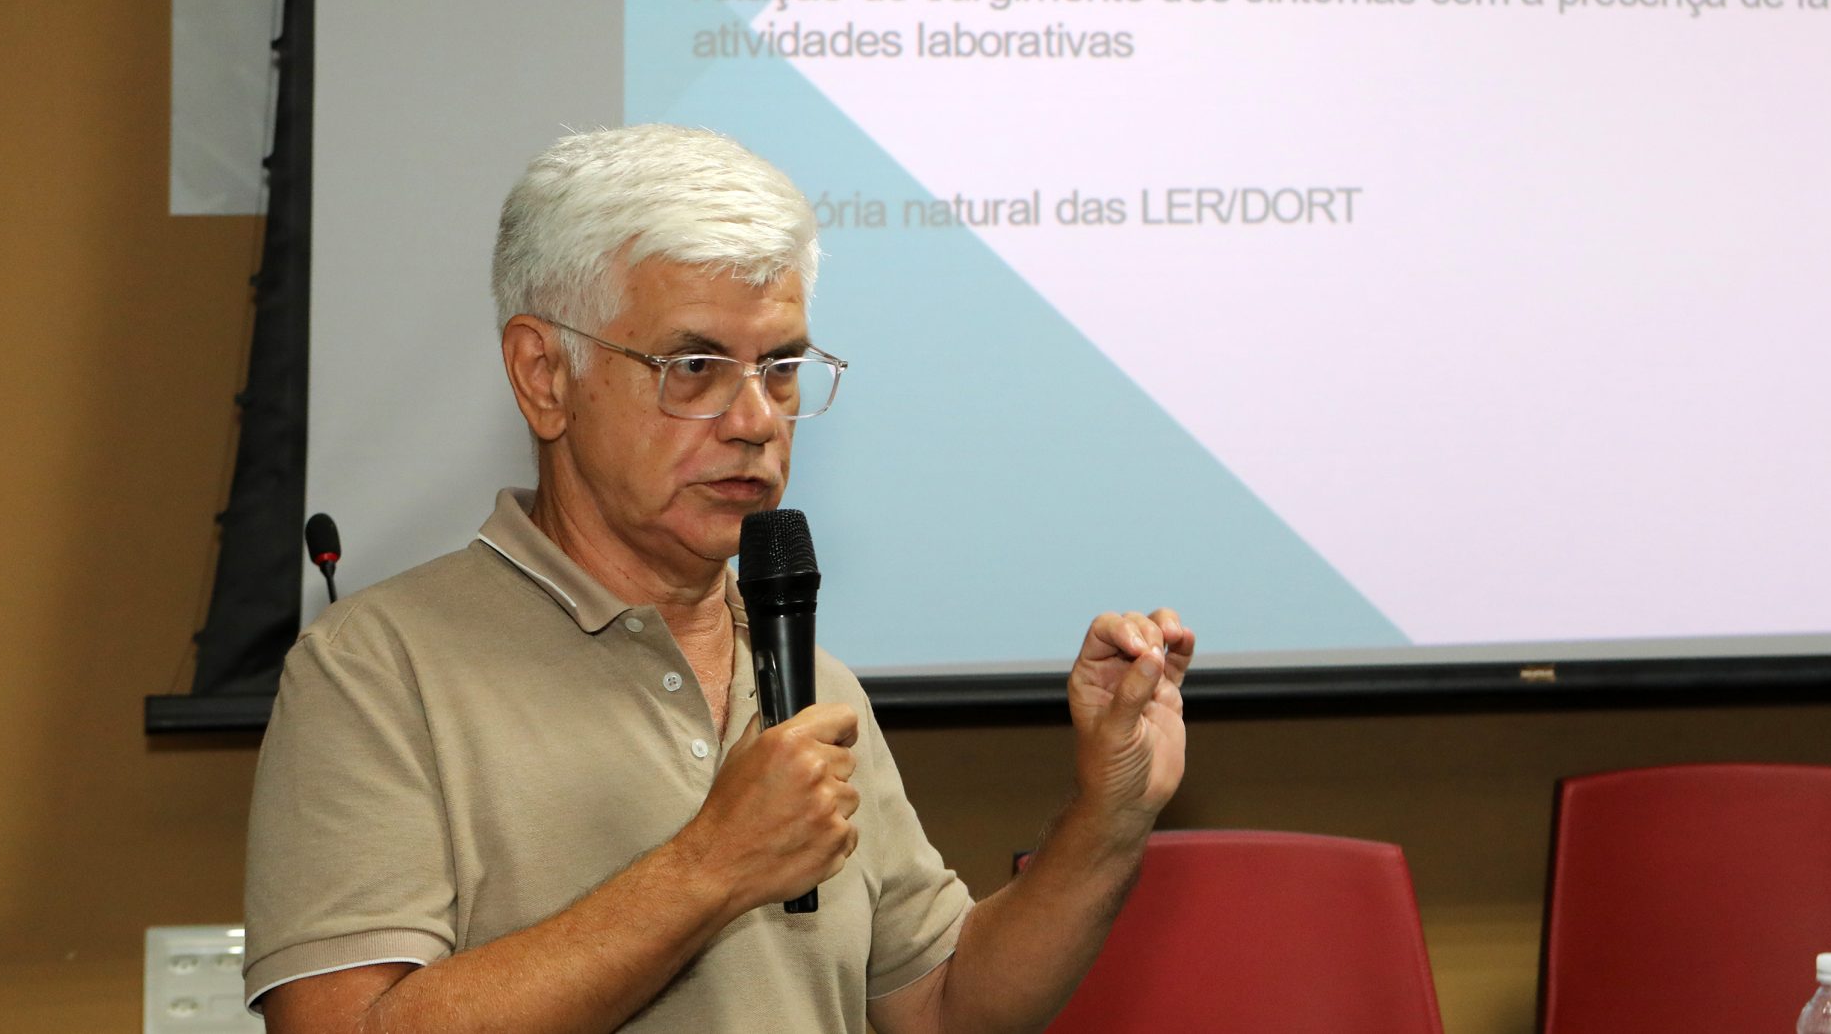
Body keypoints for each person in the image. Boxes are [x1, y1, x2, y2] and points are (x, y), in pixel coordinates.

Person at [244, 124, 1192, 1034]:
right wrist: (710, 866)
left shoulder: (806, 676)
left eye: (780, 367)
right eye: (694, 365)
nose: (754, 419)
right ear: (544, 375)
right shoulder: (375, 670)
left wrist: (1110, 812)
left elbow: (946, 1001)